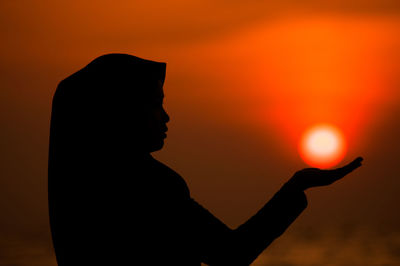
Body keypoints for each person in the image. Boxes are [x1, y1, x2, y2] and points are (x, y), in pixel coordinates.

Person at [48, 53, 363, 266]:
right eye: (156, 104)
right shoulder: (154, 187)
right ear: (121, 111)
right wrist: (295, 189)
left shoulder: (78, 190)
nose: (166, 117)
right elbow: (232, 253)